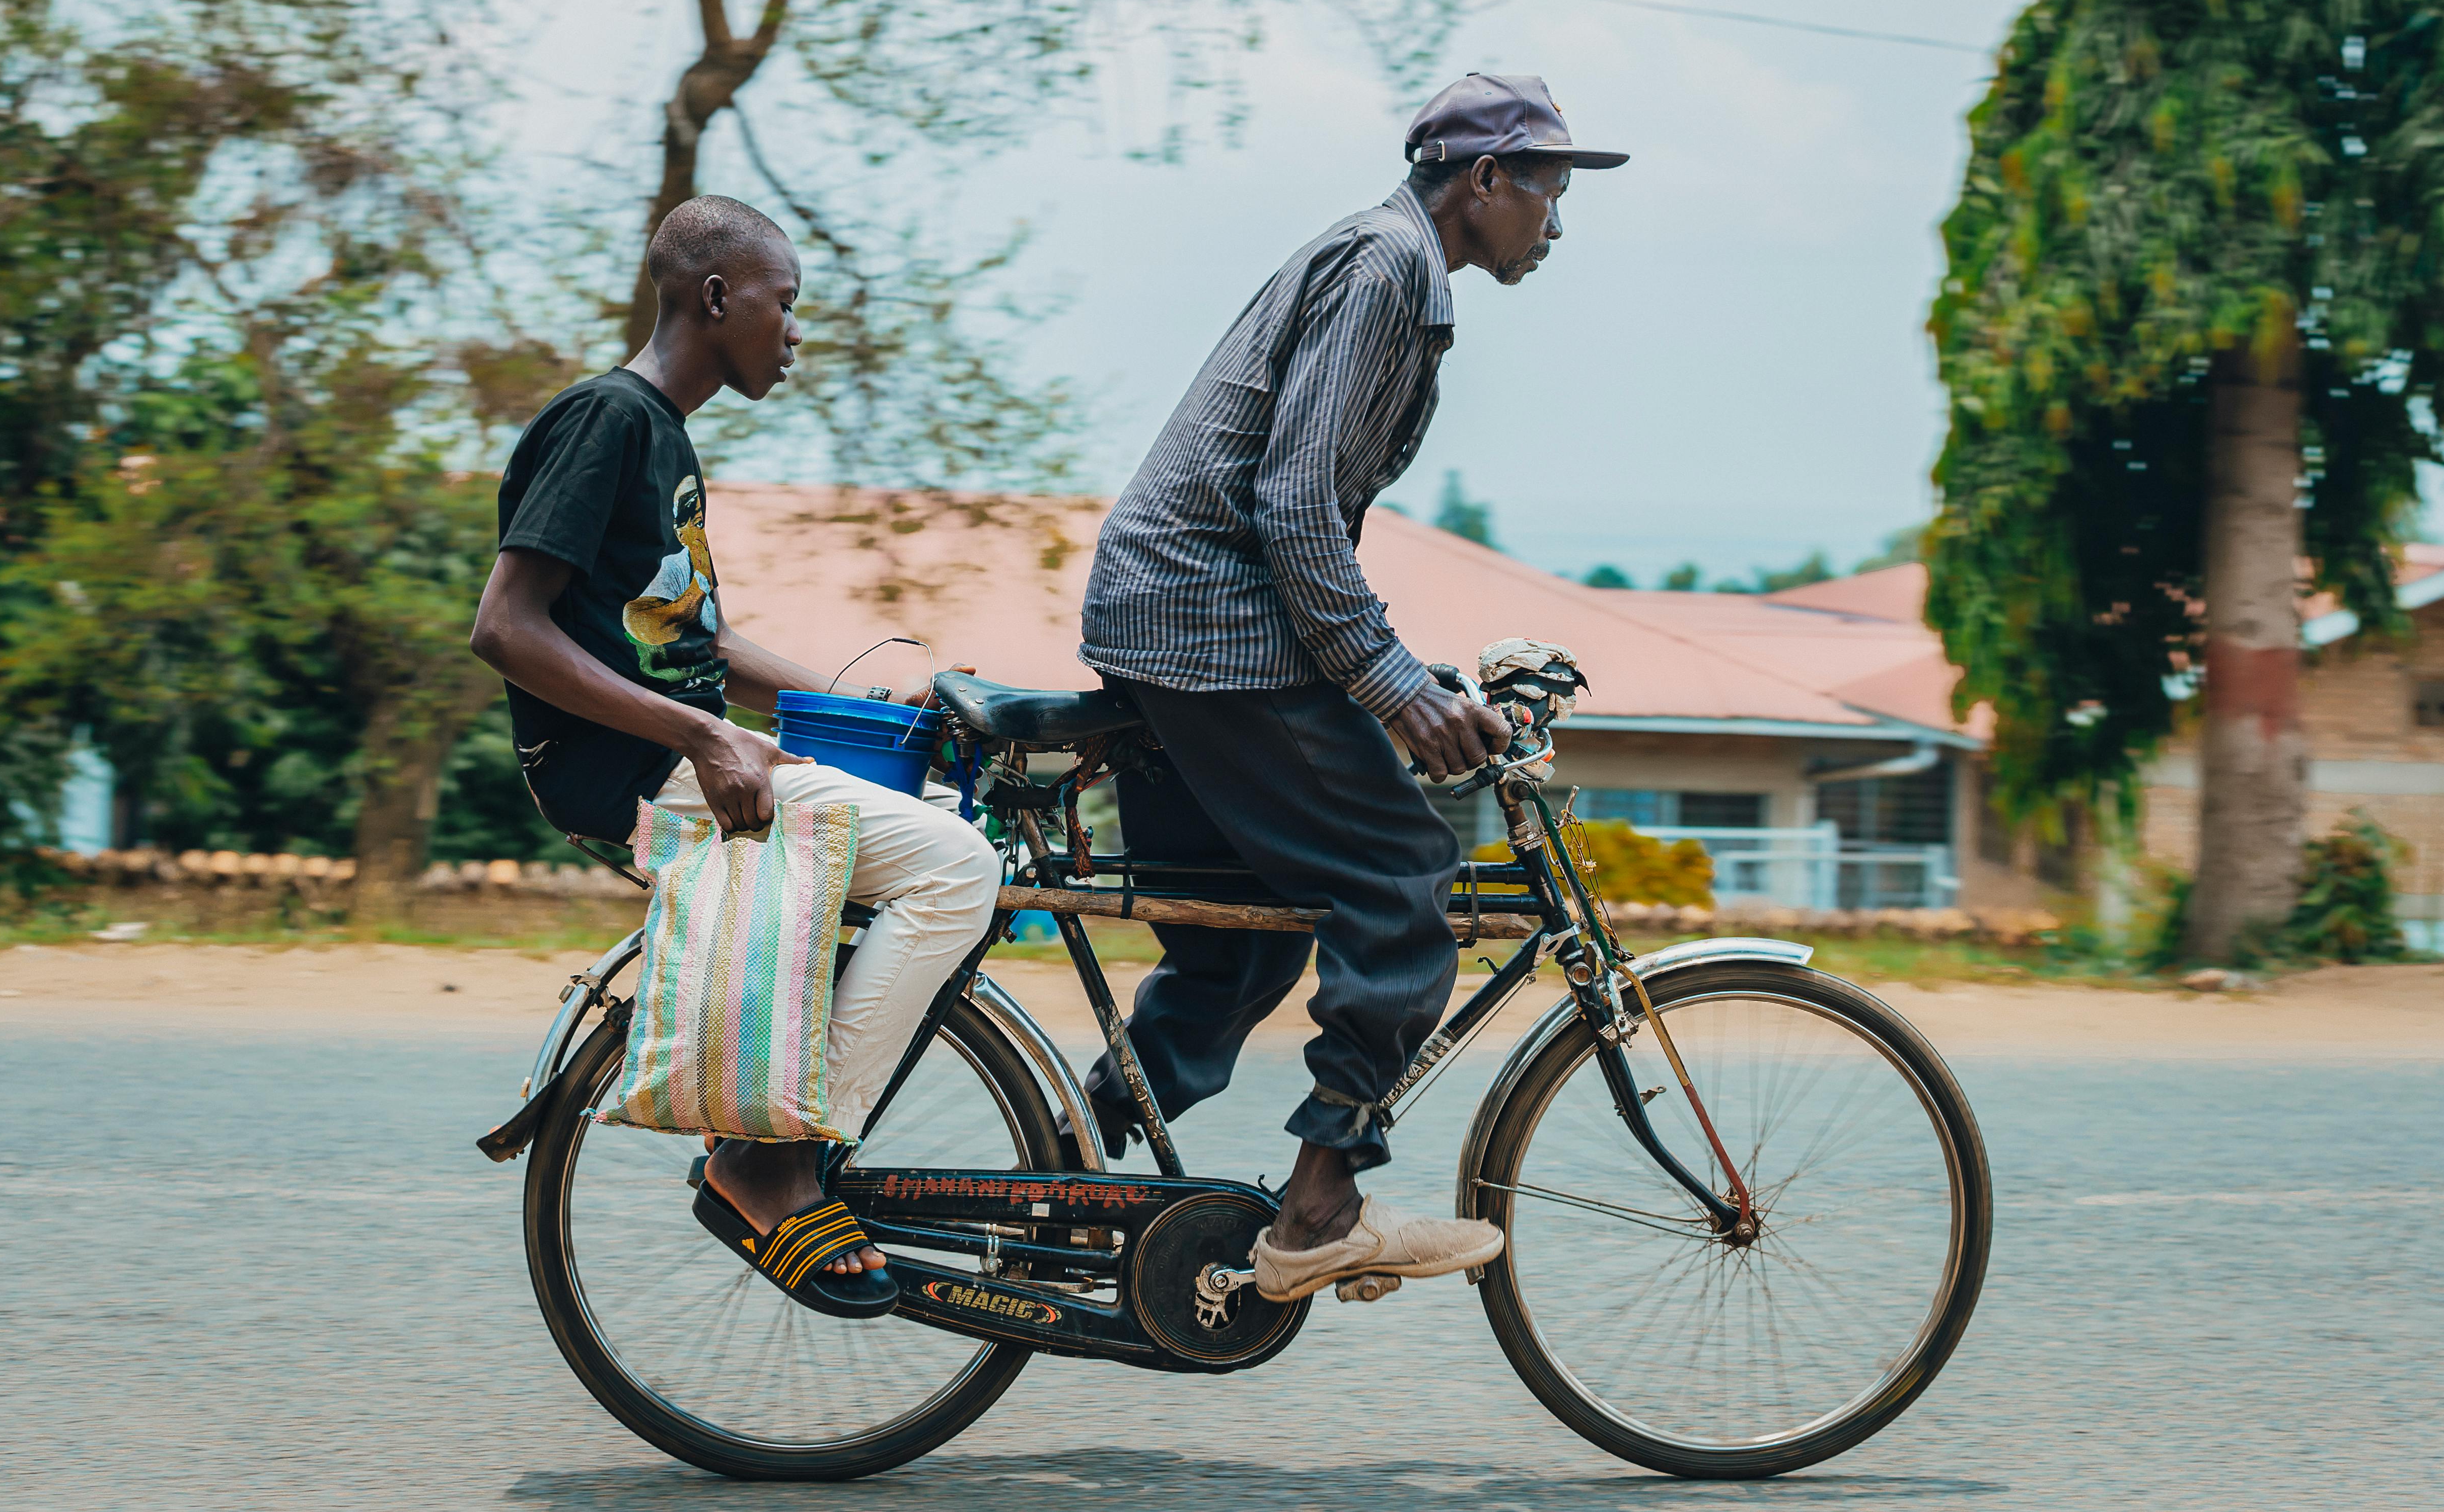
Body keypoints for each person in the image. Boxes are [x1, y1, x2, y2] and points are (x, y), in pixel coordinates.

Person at [1078, 74, 1629, 1302]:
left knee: (1249, 928)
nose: (1556, 217)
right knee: (1398, 883)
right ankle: (1317, 1209)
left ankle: (1072, 1151)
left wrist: (1405, 676)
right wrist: (1394, 690)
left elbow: (1302, 508)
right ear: (1480, 182)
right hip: (1205, 627)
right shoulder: (1389, 267)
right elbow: (1289, 505)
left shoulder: (1380, 260)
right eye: (1547, 185)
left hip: (1173, 619)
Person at [469, 195, 999, 1314]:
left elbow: (691, 642)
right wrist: (704, 732)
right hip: (624, 770)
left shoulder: (665, 438)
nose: (794, 330)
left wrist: (866, 702)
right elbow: (506, 628)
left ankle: (783, 1104)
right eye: (785, 303)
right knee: (958, 870)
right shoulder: (605, 420)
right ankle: (770, 1157)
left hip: (675, 750)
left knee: (954, 813)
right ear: (718, 297)